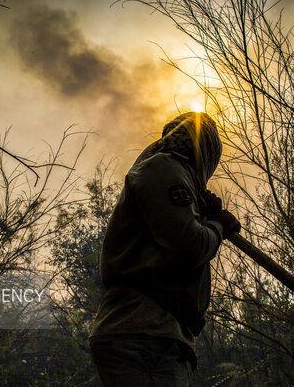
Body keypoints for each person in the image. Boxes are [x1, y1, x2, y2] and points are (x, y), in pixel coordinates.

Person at [89, 112, 241, 386]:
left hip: (153, 334)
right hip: (144, 336)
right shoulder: (164, 168)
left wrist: (203, 214)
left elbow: (175, 233)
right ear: (204, 152)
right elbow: (190, 246)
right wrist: (217, 226)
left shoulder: (164, 173)